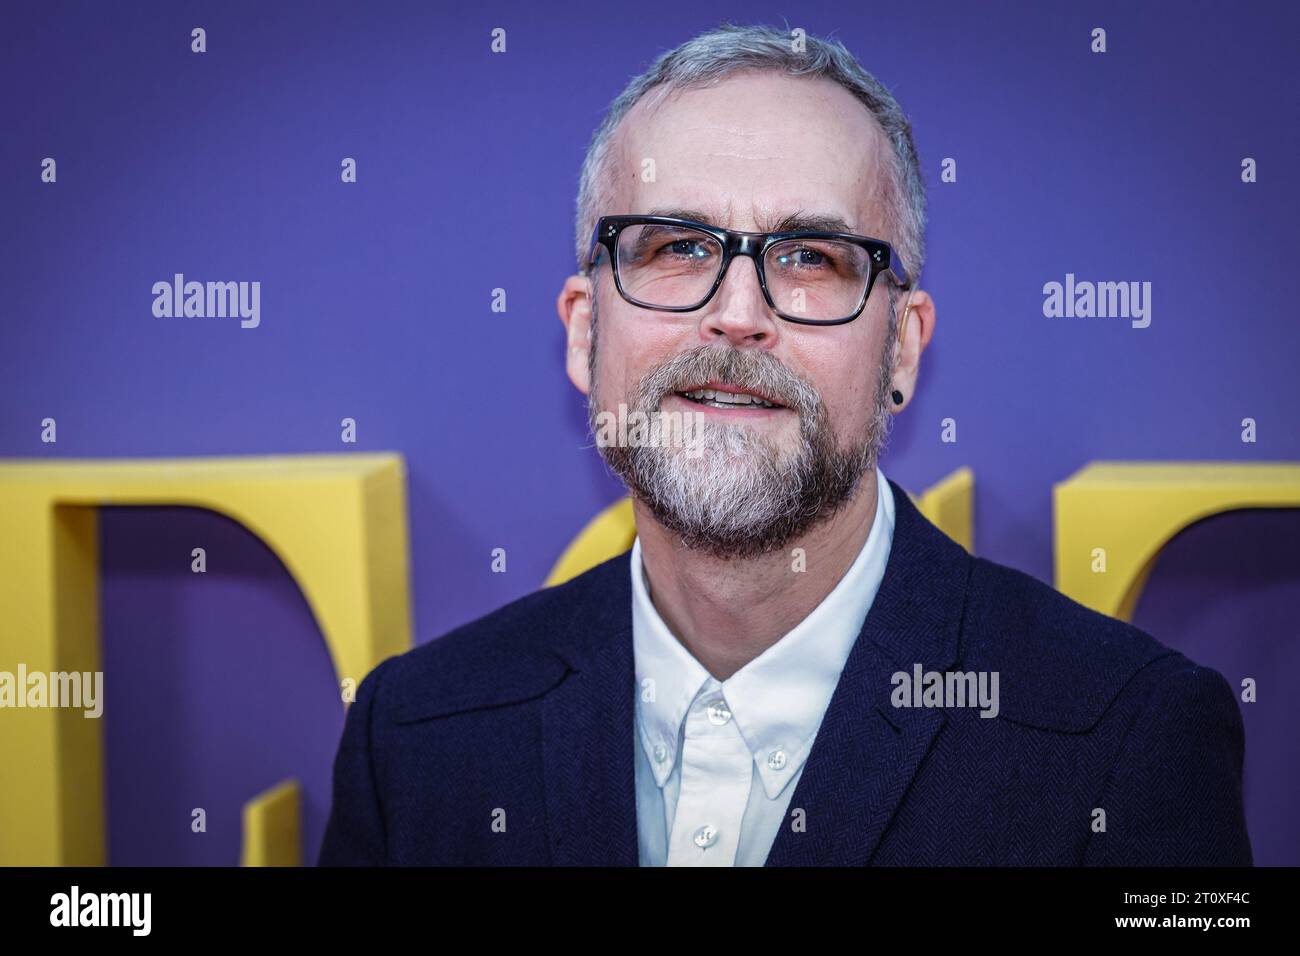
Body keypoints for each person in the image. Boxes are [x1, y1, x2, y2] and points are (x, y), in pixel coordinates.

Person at [319, 23, 1251, 866]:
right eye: (676, 246)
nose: (736, 315)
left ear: (904, 348)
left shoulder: (1128, 737)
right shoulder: (416, 734)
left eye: (809, 257)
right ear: (581, 331)